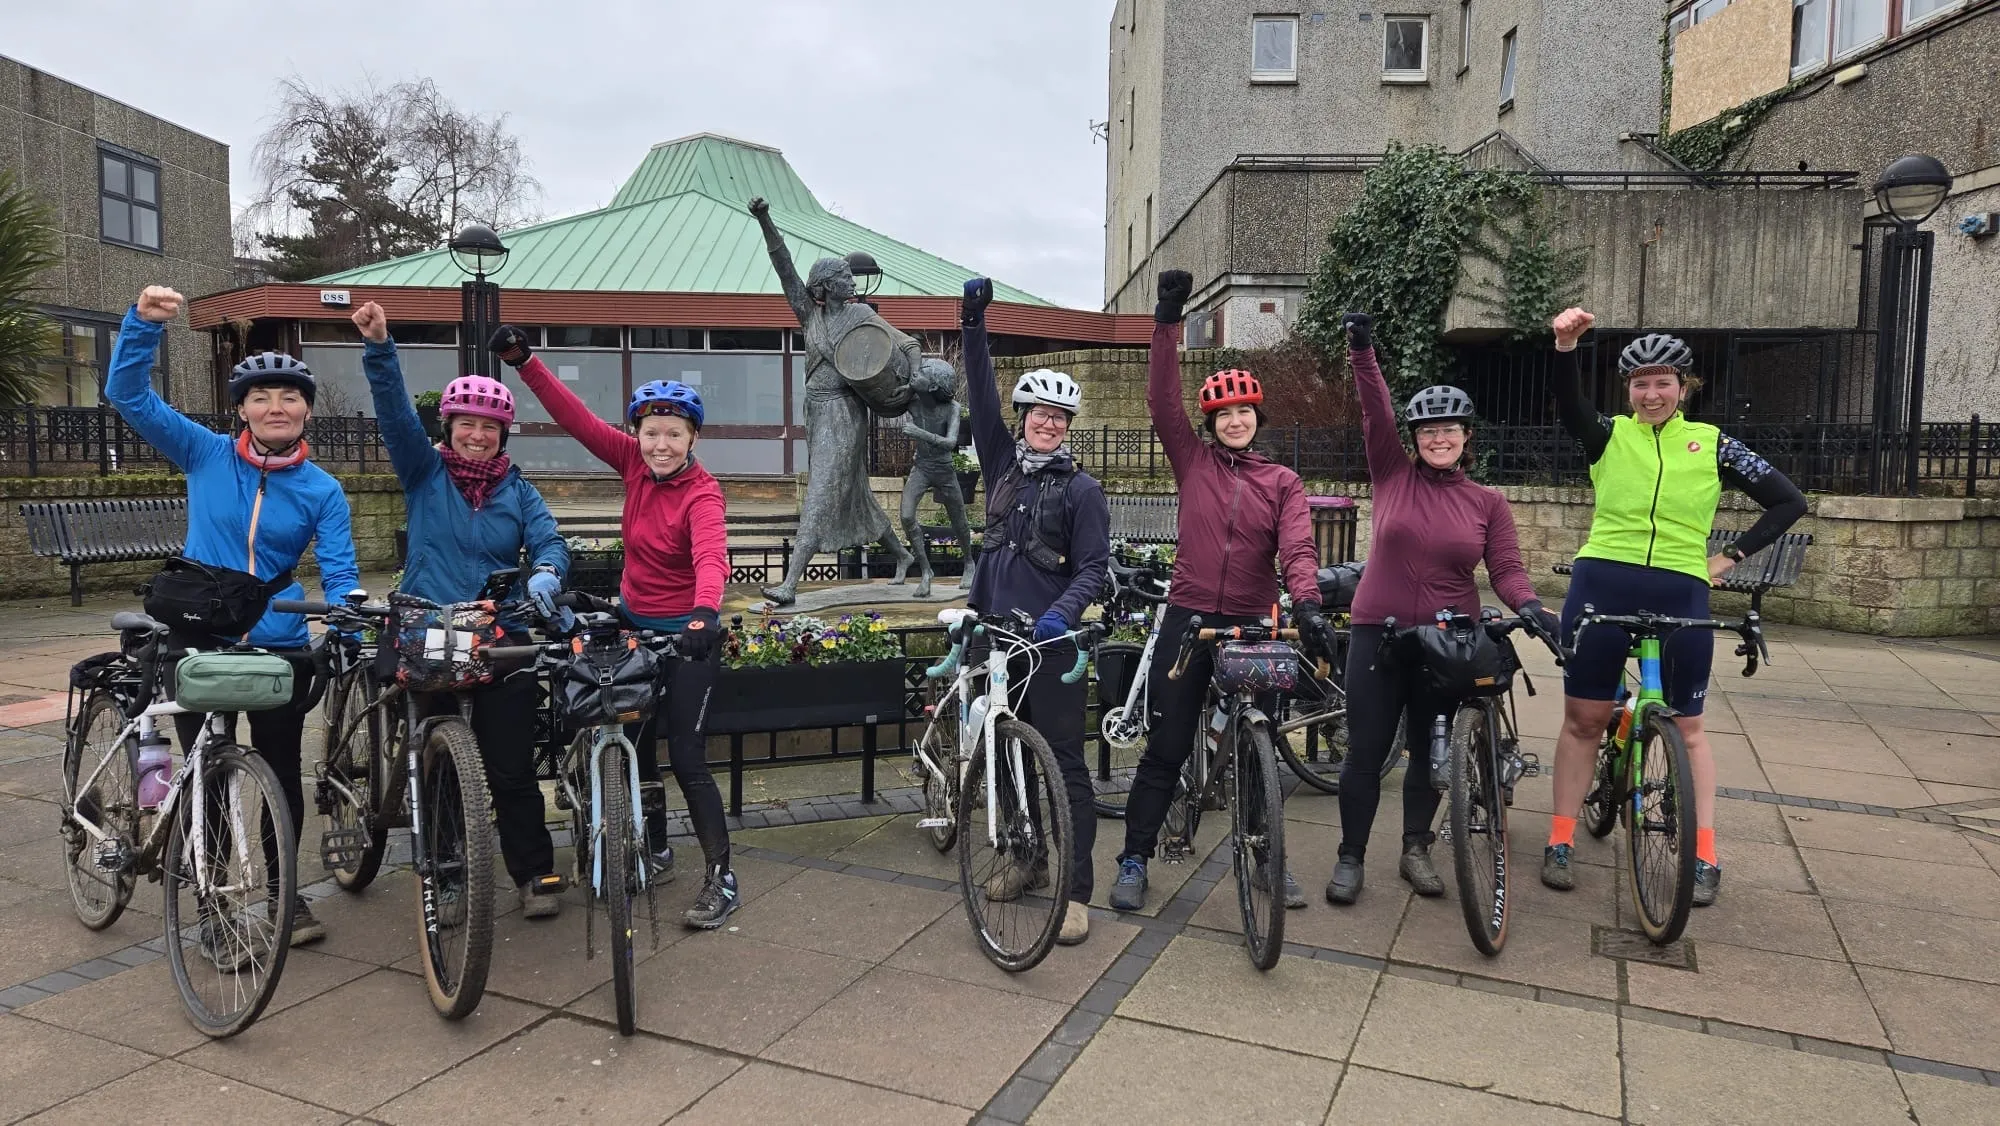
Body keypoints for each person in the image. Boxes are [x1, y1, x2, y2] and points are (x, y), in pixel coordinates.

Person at [109, 286, 362, 949]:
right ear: (242, 409)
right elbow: (130, 396)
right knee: (202, 777)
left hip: (277, 642)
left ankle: (286, 899)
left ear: (307, 410)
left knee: (280, 774)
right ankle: (212, 908)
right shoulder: (205, 453)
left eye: (289, 397)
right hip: (199, 635)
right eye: (260, 397)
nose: (275, 407)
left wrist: (348, 625)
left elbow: (340, 573)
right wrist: (142, 325)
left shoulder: (323, 490)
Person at [1545, 308, 1807, 905]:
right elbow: (1569, 406)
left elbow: (1788, 502)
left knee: (1688, 728)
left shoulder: (1714, 445)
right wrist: (1564, 347)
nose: (1651, 393)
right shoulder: (1609, 435)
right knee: (1584, 721)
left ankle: (1703, 851)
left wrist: (1729, 558)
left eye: (1664, 382)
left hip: (1680, 586)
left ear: (1685, 387)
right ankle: (1560, 839)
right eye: (1640, 383)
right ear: (1628, 391)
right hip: (1602, 582)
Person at [489, 324, 742, 928]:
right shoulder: (629, 461)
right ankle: (652, 850)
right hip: (634, 620)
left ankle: (721, 877)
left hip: (687, 634)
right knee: (633, 743)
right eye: (651, 433)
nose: (660, 445)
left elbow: (712, 556)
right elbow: (576, 420)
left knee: (686, 756)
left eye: (673, 435)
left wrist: (706, 612)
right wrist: (526, 363)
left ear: (692, 438)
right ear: (638, 435)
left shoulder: (703, 494)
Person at [1109, 269, 1336, 914]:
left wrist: (1309, 603)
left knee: (1259, 733)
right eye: (1223, 413)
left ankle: (1269, 857)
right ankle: (1134, 856)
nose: (1235, 420)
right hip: (1189, 617)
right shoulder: (1194, 460)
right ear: (1211, 422)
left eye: (1244, 411)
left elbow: (1296, 547)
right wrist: (1166, 321)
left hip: (1254, 619)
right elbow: (1160, 403)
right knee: (1169, 742)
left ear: (1257, 418)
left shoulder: (1283, 481)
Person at [1323, 313, 1560, 905]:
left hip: (1447, 641)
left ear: (1465, 436)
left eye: (1449, 428)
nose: (1438, 437)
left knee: (1431, 752)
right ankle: (1350, 857)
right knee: (1367, 751)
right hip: (1378, 631)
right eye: (1428, 429)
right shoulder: (1392, 474)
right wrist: (1362, 350)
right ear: (1415, 438)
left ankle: (1415, 849)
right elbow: (1375, 410)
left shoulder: (1488, 502)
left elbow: (1504, 570)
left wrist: (1530, 606)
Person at [352, 301, 570, 919]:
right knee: (436, 762)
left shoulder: (517, 491)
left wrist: (549, 572)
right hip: (428, 630)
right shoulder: (424, 473)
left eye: (490, 428)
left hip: (499, 632)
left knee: (510, 765)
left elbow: (550, 541)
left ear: (504, 435)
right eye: (466, 424)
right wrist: (379, 348)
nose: (477, 436)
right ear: (448, 427)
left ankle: (532, 872)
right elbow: (394, 417)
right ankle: (445, 869)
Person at [961, 276, 1110, 946]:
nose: (1047, 424)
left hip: (1049, 647)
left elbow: (1094, 568)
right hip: (992, 642)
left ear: (1069, 427)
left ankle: (1076, 892)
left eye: (1058, 419)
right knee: (1002, 756)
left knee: (1065, 769)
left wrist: (1064, 614)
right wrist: (972, 322)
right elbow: (981, 394)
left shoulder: (1083, 491)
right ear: (1023, 419)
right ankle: (1026, 858)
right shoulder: (1001, 467)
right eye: (1037, 415)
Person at [748, 196, 916, 605]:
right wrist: (766, 219)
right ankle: (903, 554)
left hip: (845, 411)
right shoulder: (810, 315)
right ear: (825, 285)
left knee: (821, 491)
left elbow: (907, 342)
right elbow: (783, 266)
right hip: (816, 411)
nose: (851, 281)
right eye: (843, 276)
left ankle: (789, 584)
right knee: (854, 492)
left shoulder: (860, 317)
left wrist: (910, 381)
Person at [895, 357, 977, 596]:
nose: (915, 374)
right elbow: (885, 402)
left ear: (932, 387)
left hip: (944, 470)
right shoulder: (913, 401)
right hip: (921, 468)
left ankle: (969, 562)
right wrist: (907, 387)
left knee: (959, 520)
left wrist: (919, 432)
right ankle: (925, 570)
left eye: (921, 374)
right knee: (906, 516)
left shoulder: (952, 408)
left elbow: (951, 442)